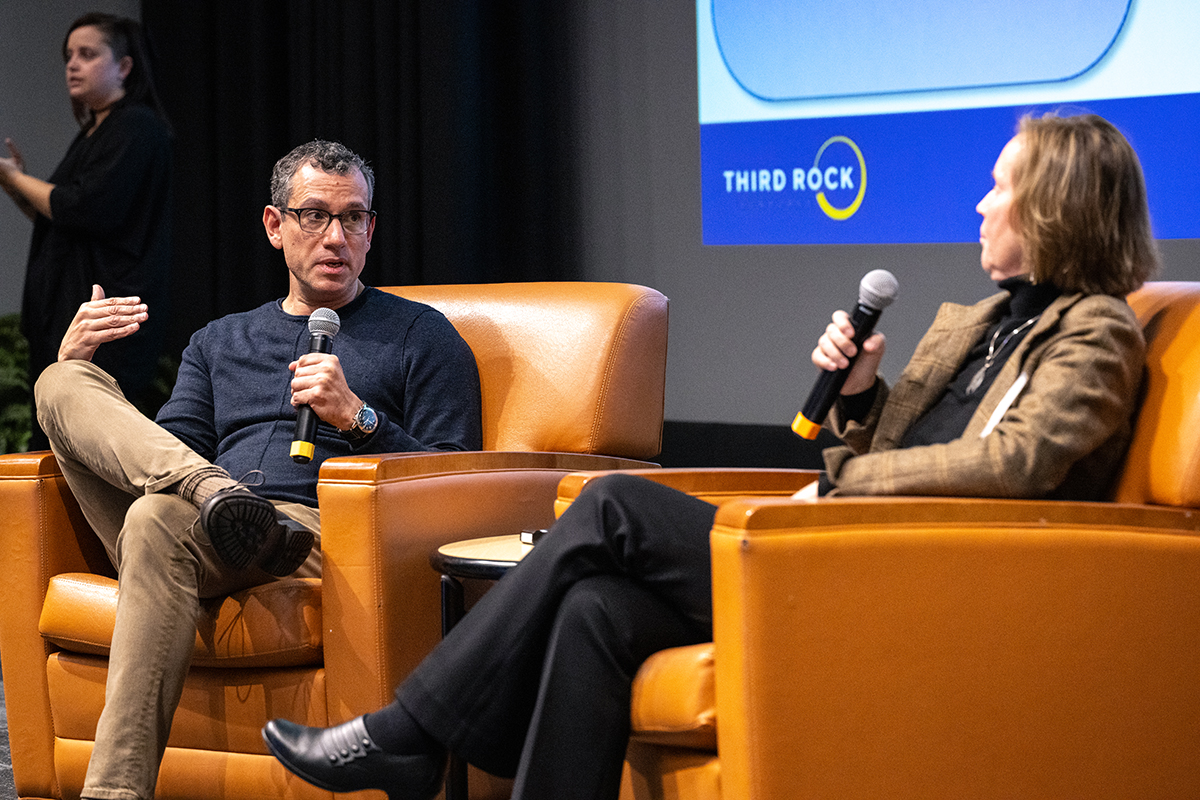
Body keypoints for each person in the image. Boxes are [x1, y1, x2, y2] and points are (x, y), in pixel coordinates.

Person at [262, 112, 1156, 800]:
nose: (981, 203)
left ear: (1051, 205)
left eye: (1000, 188)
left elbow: (1018, 466)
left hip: (915, 569)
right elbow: (900, 446)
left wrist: (843, 486)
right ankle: (427, 741)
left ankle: (411, 729)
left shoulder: (1098, 332)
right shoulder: (981, 324)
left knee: (611, 506)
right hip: (853, 538)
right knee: (598, 610)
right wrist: (858, 401)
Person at [33, 139, 483, 800]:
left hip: (313, 534)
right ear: (275, 226)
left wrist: (358, 418)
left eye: (353, 218)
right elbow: (162, 451)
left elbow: (456, 484)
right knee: (60, 381)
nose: (336, 237)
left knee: (159, 518)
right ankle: (215, 494)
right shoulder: (219, 341)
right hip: (206, 517)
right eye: (314, 216)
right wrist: (83, 371)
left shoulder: (421, 335)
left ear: (372, 230)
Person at [0, 12, 173, 451]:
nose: (72, 65)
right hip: (63, 313)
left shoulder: (136, 125)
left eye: (88, 54)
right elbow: (60, 219)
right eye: (68, 56)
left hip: (104, 314)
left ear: (125, 67)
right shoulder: (95, 131)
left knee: (92, 439)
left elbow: (80, 206)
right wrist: (16, 183)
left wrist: (12, 177)